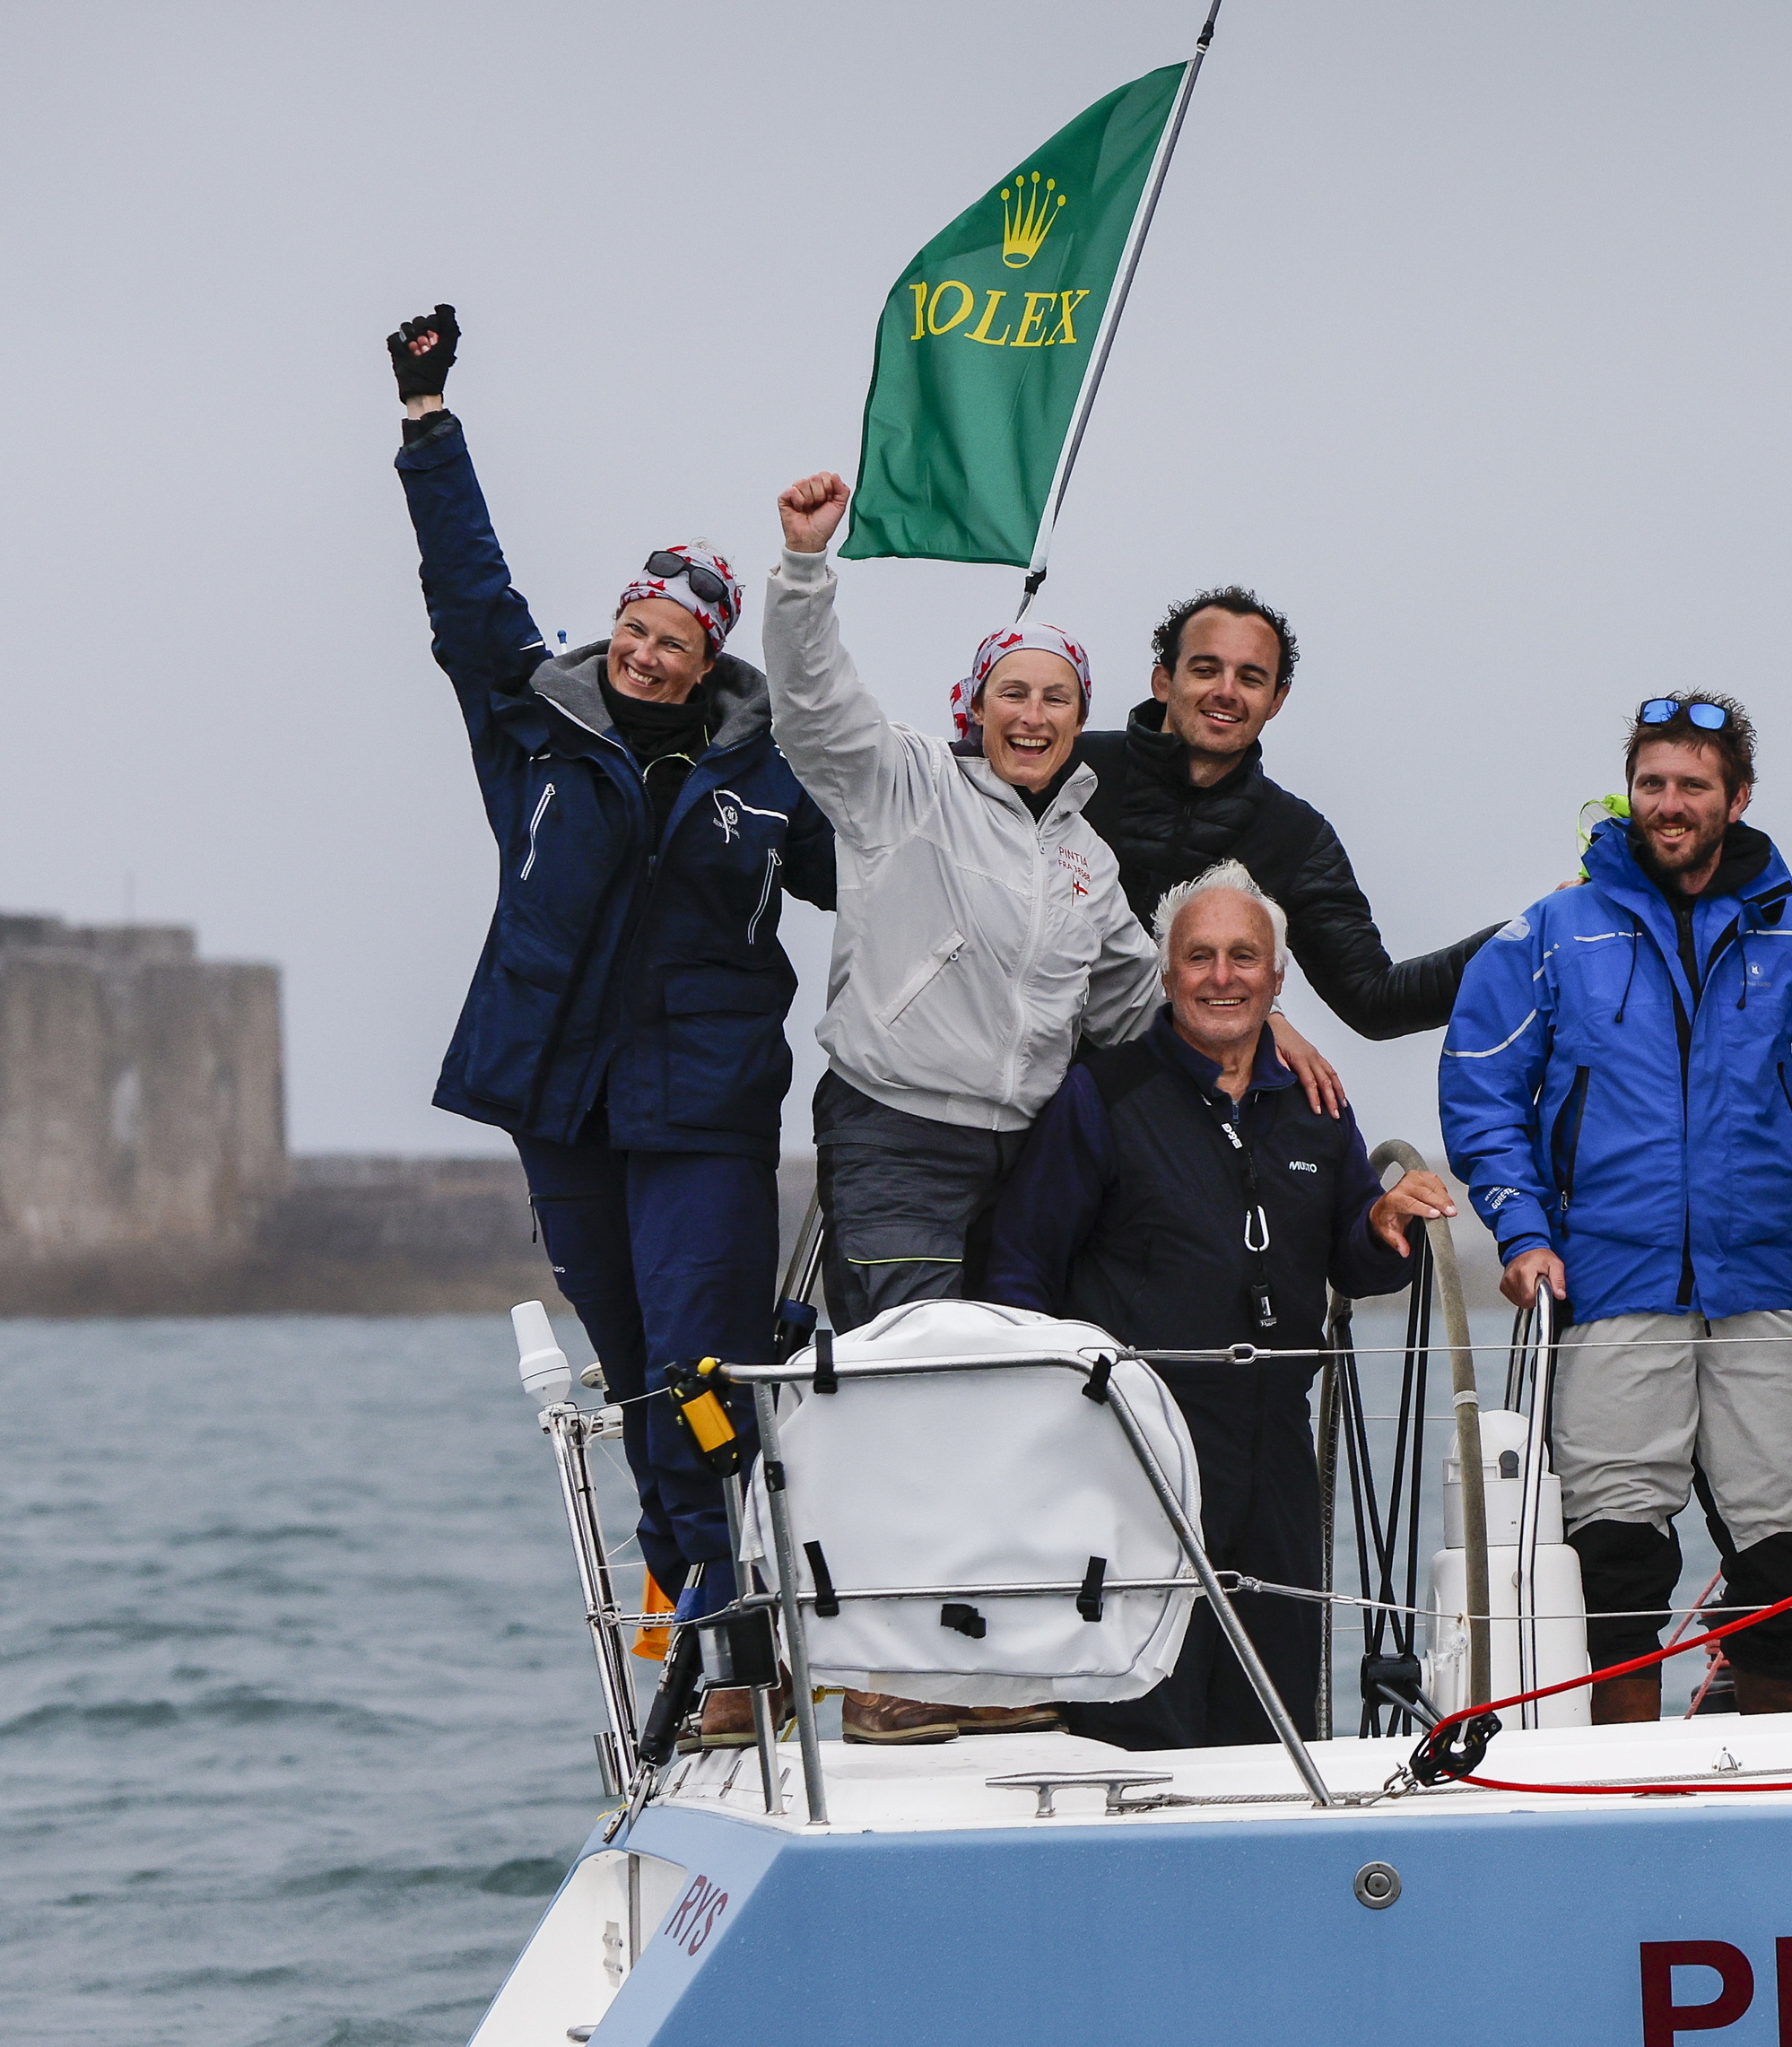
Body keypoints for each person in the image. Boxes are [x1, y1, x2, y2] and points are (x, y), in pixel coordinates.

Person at [387, 304, 833, 1744]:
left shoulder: (773, 782)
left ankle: (726, 1637)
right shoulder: (531, 730)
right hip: (561, 1105)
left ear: (711, 661)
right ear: (616, 632)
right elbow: (469, 596)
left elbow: (897, 867)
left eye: (677, 643)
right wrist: (427, 422)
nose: (648, 657)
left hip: (701, 1113)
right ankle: (697, 1614)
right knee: (641, 1372)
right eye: (636, 632)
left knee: (698, 1366)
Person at [1442, 695, 1792, 1721]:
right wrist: (1522, 1231)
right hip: (1607, 1285)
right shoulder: (1554, 930)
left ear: (1737, 798)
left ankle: (1779, 1786)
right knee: (1615, 1575)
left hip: (1759, 1284)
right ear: (1629, 792)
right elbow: (1478, 1084)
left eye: (1693, 784)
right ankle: (1623, 1796)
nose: (1670, 803)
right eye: (1653, 783)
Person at [982, 864, 1453, 1750]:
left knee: (1269, 1722)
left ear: (1278, 982)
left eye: (1245, 957)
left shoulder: (1318, 1109)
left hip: (1274, 1448)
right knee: (1139, 1724)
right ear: (1166, 975)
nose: (1222, 976)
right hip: (1135, 1454)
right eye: (1199, 956)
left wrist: (1384, 1221)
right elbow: (1019, 1267)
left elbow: (1358, 1257)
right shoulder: (1105, 1095)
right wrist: (1038, 1429)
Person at [761, 470, 1220, 1337]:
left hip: (1033, 1154)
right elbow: (812, 703)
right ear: (975, 705)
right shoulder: (904, 785)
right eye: (1013, 692)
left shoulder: (1088, 859)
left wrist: (1258, 1031)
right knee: (914, 1369)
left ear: (1080, 716)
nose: (1033, 715)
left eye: (1056, 698)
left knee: (1017, 1373)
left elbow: (1142, 1008)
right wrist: (803, 565)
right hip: (897, 1136)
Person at [1074, 587, 1498, 1039]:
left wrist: (1534, 935)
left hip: (1153, 1100)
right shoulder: (1068, 769)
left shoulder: (1296, 836)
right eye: (1205, 670)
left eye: (1251, 678)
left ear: (1277, 700)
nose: (1226, 691)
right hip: (1012, 1084)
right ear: (1163, 680)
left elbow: (1375, 1000)